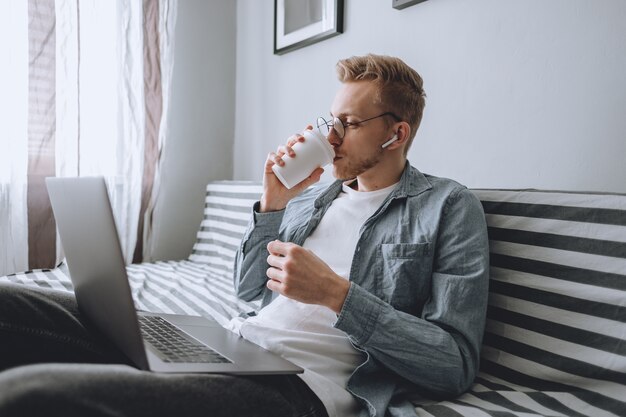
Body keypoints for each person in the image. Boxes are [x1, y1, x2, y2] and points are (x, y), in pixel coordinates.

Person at [0, 54, 488, 417]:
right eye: (329, 122)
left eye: (348, 124)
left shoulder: (447, 206)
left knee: (32, 395)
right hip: (232, 343)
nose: (331, 137)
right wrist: (272, 202)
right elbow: (249, 291)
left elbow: (453, 365)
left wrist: (338, 296)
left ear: (396, 134)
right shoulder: (316, 198)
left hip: (297, 388)